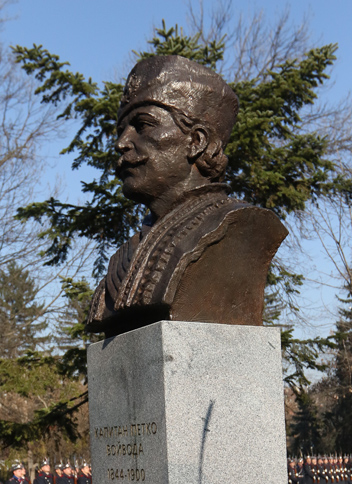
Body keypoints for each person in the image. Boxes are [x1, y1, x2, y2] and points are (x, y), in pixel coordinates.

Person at [86, 55, 287, 336]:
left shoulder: (237, 225)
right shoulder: (122, 259)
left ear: (196, 142)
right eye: (121, 130)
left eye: (143, 125)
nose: (122, 143)